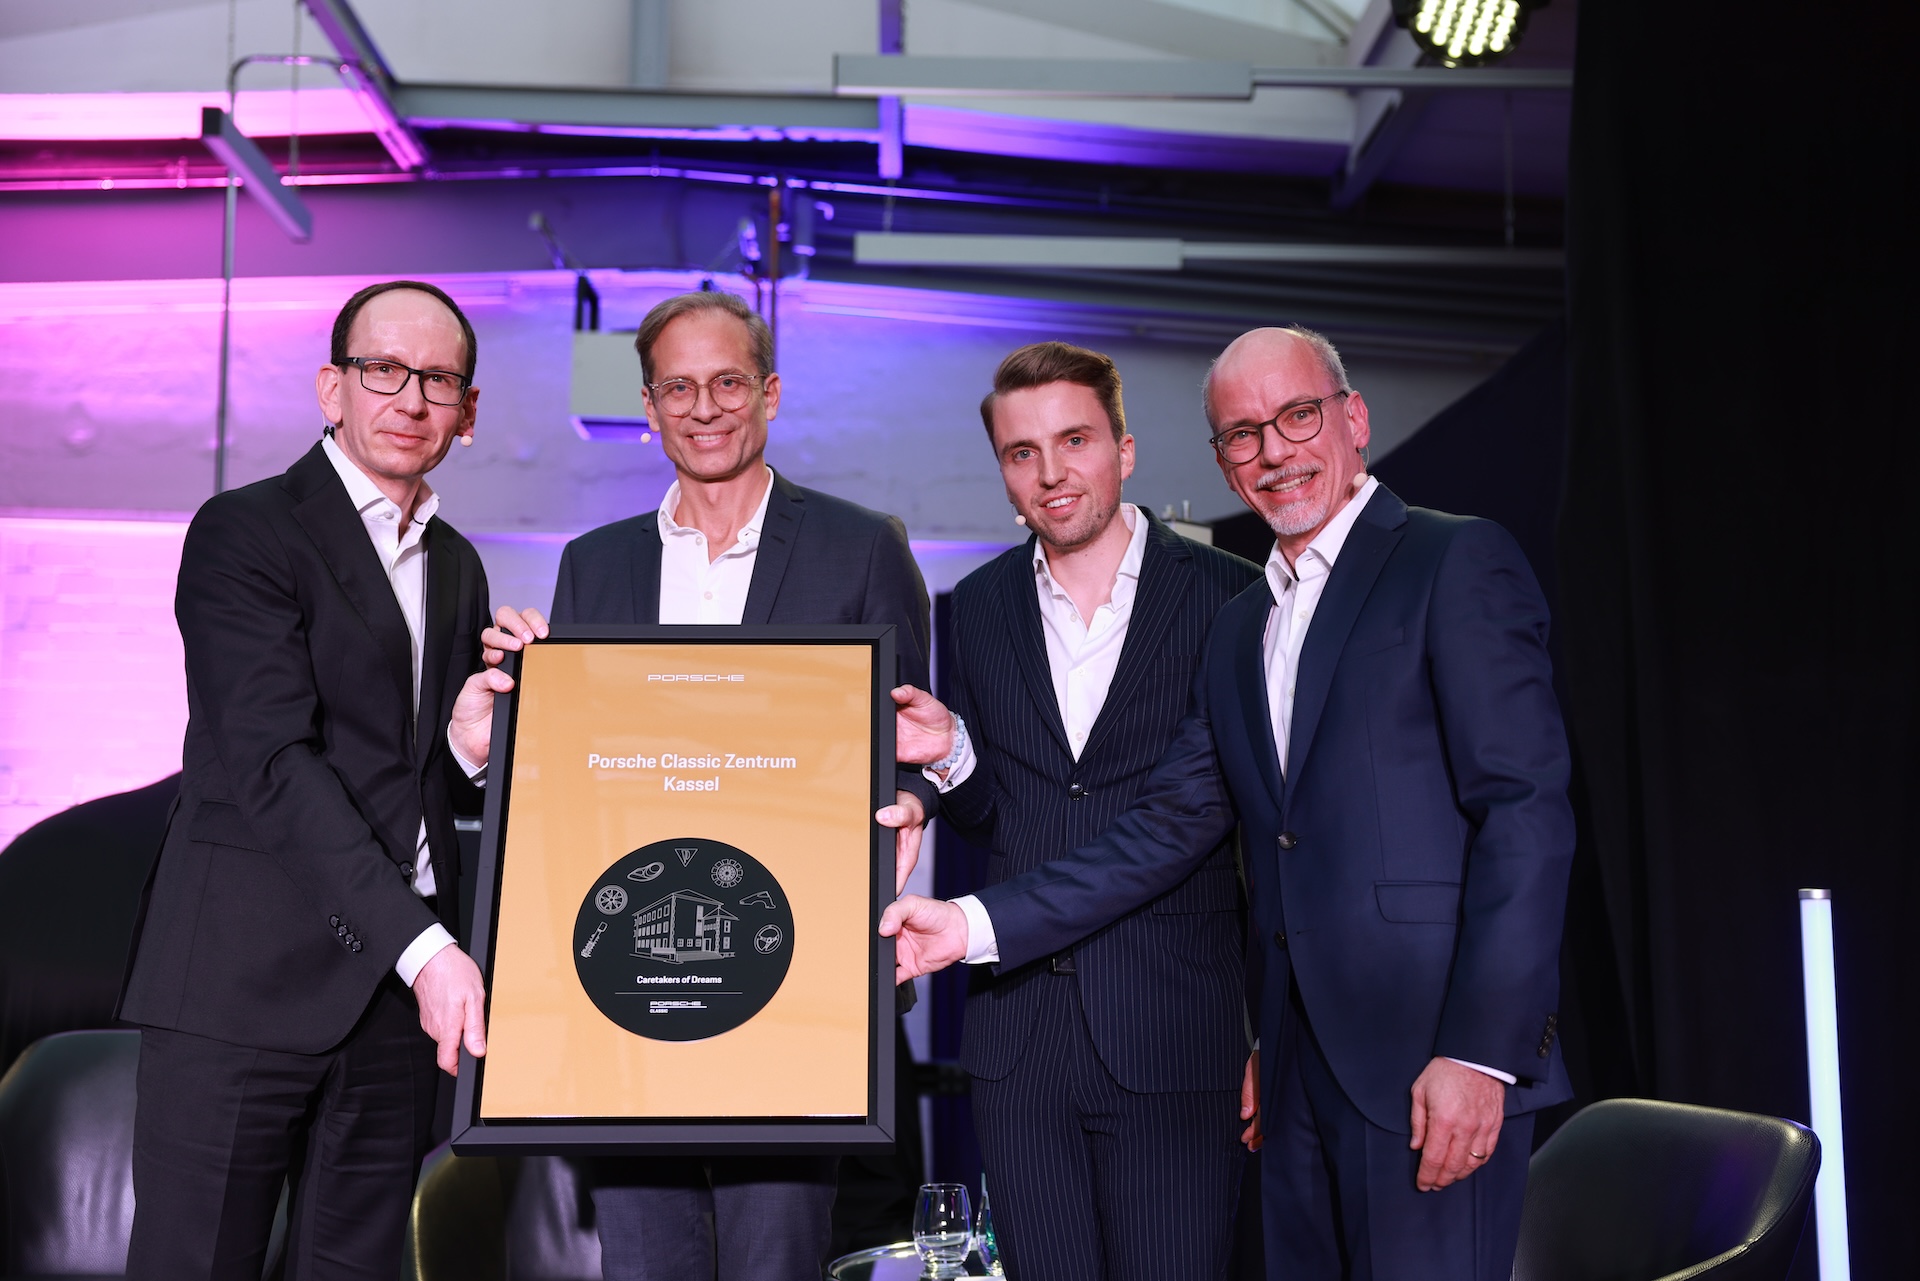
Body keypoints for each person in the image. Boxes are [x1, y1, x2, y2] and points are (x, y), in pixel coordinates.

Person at [884, 326, 1575, 1281]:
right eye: (1243, 434)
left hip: (1422, 1060)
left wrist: (1483, 1051)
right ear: (1220, 457)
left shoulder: (1449, 560)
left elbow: (1525, 811)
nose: (1273, 451)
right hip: (1289, 1072)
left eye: (1298, 417)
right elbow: (1190, 822)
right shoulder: (1251, 619)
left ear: (1354, 418)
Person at [480, 289, 934, 1281]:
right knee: (645, 1265)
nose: (705, 407)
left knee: (777, 1262)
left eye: (728, 382)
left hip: (798, 988)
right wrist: (517, 720)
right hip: (630, 999)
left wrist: (913, 800)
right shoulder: (595, 566)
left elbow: (908, 734)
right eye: (678, 388)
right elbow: (577, 781)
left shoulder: (861, 547)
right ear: (648, 407)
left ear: (769, 392)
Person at [118, 280, 511, 1279]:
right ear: (332, 388)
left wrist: (468, 748)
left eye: (439, 380)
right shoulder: (245, 531)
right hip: (242, 987)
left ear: (467, 411)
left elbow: (407, 776)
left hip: (391, 1007)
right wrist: (429, 951)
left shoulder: (458, 565)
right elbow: (271, 764)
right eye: (384, 370)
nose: (411, 398)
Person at [895, 341, 1258, 1280]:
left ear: (1124, 449)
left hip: (1172, 1031)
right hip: (1020, 1043)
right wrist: (955, 754)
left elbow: (1215, 823)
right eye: (1022, 452)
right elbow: (1001, 820)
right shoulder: (978, 605)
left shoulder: (1232, 597)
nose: (1050, 472)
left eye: (1074, 440)